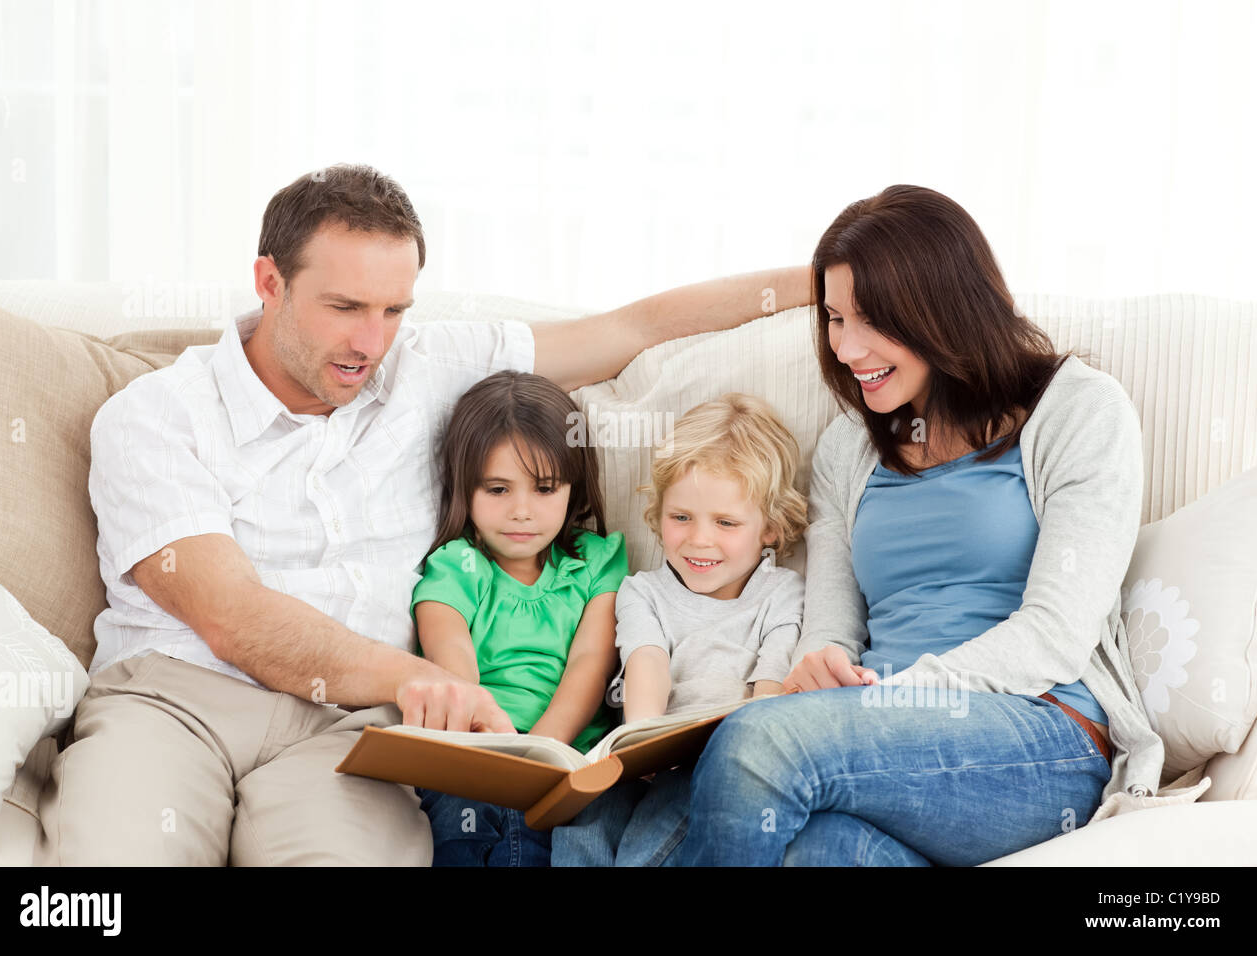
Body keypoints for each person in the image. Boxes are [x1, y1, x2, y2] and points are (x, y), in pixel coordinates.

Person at [36, 163, 813, 865]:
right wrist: (423, 679)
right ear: (268, 281)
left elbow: (630, 330)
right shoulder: (157, 415)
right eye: (344, 307)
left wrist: (834, 278)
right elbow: (232, 618)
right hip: (176, 699)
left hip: (345, 733)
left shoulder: (429, 367)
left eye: (393, 310)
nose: (370, 343)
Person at [678, 184, 1165, 867]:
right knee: (819, 854)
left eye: (870, 320)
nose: (846, 349)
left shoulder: (1080, 410)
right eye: (834, 318)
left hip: (1038, 734)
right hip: (881, 734)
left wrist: (903, 692)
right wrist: (822, 663)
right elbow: (833, 628)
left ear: (943, 307)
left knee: (760, 742)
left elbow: (1054, 637)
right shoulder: (847, 447)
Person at [552, 393, 808, 866]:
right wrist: (643, 738)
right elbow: (645, 659)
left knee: (648, 846)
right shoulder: (642, 591)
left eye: (726, 522)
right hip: (644, 750)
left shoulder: (781, 591)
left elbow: (771, 683)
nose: (699, 539)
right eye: (681, 517)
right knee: (584, 818)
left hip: (717, 761)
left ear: (770, 528)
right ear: (660, 513)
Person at [410, 371, 627, 866]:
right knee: (462, 822)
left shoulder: (597, 561)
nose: (522, 512)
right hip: (473, 750)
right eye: (498, 489)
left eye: (545, 488)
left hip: (568, 759)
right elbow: (452, 657)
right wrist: (493, 744)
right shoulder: (457, 565)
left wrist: (540, 750)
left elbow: (592, 661)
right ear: (465, 487)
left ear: (574, 486)